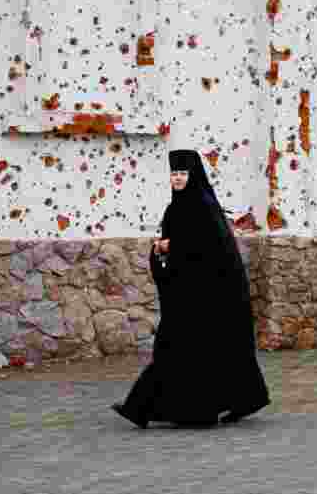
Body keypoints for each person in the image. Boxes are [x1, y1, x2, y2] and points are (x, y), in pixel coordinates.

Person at [111, 149, 271, 428]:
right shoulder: (177, 207)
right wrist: (161, 250)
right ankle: (236, 401)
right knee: (200, 352)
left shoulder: (204, 206)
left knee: (178, 350)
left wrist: (173, 246)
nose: (177, 178)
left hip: (210, 296)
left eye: (182, 173)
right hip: (188, 294)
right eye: (173, 173)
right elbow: (177, 247)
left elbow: (209, 251)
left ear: (193, 175)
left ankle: (143, 408)